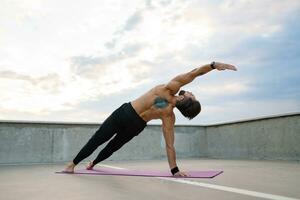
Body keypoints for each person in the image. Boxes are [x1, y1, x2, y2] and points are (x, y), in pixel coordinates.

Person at [63, 62, 237, 177]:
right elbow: (194, 73)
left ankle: (92, 162)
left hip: (134, 123)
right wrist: (214, 65)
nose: (191, 92)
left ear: (187, 101)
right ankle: (73, 163)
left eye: (193, 96)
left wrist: (175, 170)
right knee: (99, 138)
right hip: (126, 113)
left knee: (113, 146)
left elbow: (170, 144)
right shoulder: (170, 91)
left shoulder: (168, 112)